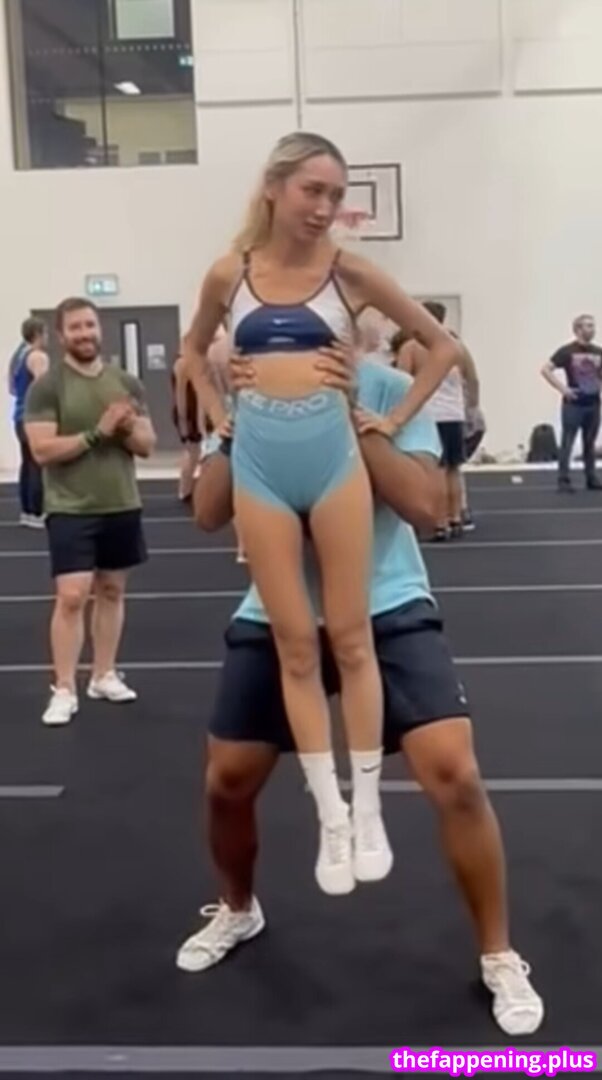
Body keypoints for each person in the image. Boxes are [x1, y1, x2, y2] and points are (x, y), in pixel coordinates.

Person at [176, 343, 544, 1041]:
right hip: (278, 611)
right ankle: (237, 908)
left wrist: (347, 416)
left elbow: (425, 506)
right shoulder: (254, 391)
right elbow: (208, 512)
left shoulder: (391, 387)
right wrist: (236, 420)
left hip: (388, 601)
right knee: (226, 780)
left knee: (455, 773)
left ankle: (499, 953)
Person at [182, 131, 461, 895]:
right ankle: (331, 815)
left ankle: (368, 807)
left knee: (350, 635)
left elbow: (440, 347)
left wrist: (388, 417)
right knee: (295, 646)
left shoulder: (350, 273)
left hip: (334, 459)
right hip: (262, 467)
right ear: (273, 188)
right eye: (313, 190)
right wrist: (218, 411)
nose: (325, 207)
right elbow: (191, 350)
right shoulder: (230, 274)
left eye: (336, 196)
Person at [24, 297, 156, 727]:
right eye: (75, 327)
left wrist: (126, 426)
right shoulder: (48, 387)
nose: (84, 334)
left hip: (120, 501)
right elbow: (42, 450)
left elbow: (147, 445)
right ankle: (64, 687)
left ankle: (104, 674)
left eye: (90, 325)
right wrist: (97, 433)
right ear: (61, 335)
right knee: (71, 597)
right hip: (70, 507)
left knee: (112, 591)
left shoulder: (125, 382)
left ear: (100, 329)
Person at [398, 302, 479, 541]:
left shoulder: (412, 348)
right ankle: (455, 517)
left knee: (435, 470)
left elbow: (400, 381)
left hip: (427, 415)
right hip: (453, 414)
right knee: (453, 468)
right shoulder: (457, 348)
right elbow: (473, 380)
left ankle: (439, 521)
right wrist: (472, 409)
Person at [541, 314, 602, 493]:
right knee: (567, 441)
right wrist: (563, 389)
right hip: (574, 404)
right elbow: (546, 369)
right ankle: (563, 479)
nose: (592, 329)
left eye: (593, 326)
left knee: (589, 442)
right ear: (577, 330)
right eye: (587, 326)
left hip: (593, 403)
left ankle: (591, 477)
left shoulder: (598, 352)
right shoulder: (567, 351)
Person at [8, 317, 49, 527]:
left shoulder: (18, 355)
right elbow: (44, 387)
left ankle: (26, 510)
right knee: (37, 464)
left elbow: (11, 388)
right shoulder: (37, 356)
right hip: (33, 417)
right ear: (38, 334)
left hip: (19, 415)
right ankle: (37, 511)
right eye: (46, 333)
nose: (47, 337)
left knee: (27, 464)